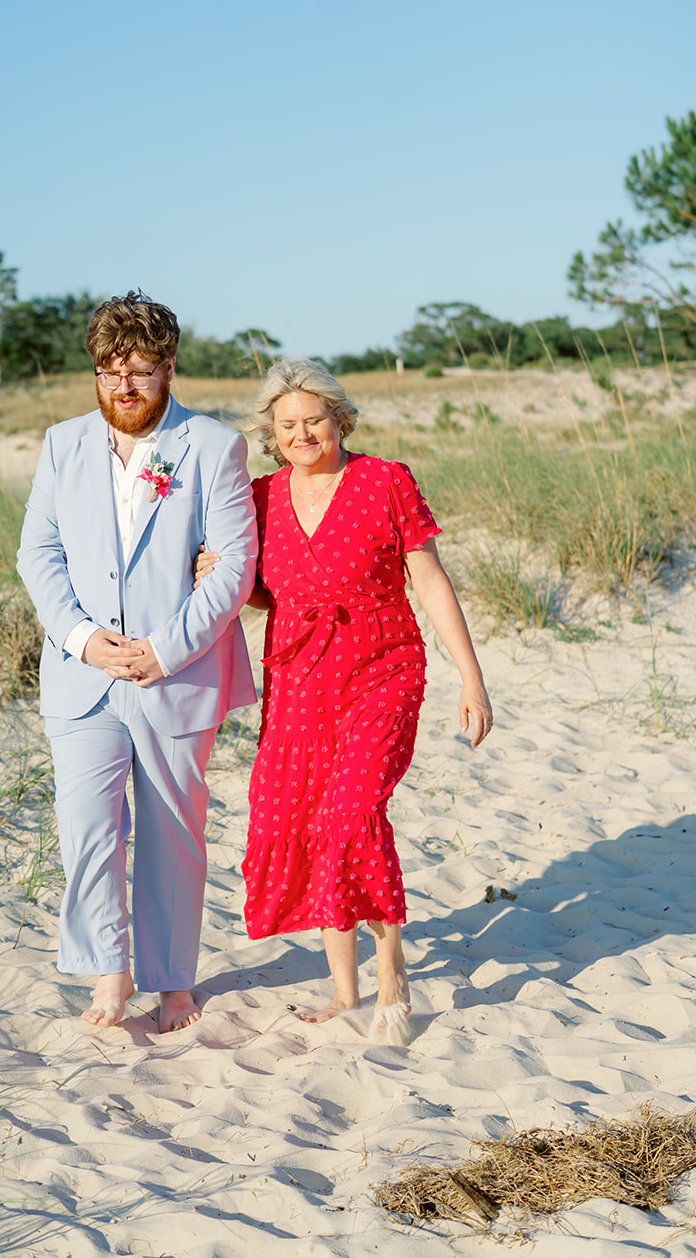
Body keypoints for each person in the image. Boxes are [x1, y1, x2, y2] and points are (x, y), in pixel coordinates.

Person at [201, 357, 491, 1031]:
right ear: (271, 434)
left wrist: (470, 678)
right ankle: (344, 991)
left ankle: (390, 979)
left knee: (349, 814)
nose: (302, 434)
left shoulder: (384, 481)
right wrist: (218, 574)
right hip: (298, 678)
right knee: (300, 818)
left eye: (314, 421)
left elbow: (430, 582)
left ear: (341, 418)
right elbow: (263, 593)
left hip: (382, 667)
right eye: (287, 425)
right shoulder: (259, 498)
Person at [17, 291, 257, 1033]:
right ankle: (109, 975)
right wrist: (81, 637)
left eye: (141, 371)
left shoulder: (213, 446)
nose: (124, 386)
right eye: (110, 371)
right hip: (82, 676)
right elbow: (39, 552)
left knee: (172, 837)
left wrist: (163, 649)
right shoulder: (61, 444)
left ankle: (173, 981)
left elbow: (234, 566)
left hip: (175, 675)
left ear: (169, 367)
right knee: (86, 831)